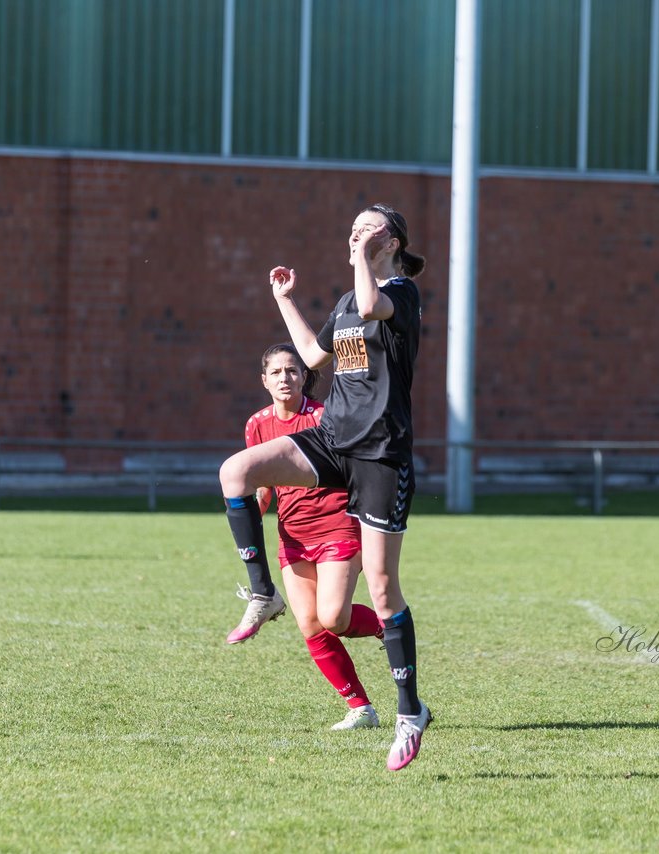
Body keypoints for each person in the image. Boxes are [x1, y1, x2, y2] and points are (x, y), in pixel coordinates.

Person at [218, 203, 429, 771]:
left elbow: (370, 305)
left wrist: (365, 257)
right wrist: (285, 301)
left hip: (382, 454)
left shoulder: (401, 294)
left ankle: (410, 711)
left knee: (384, 592)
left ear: (394, 241)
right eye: (353, 226)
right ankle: (262, 593)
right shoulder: (344, 303)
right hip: (335, 438)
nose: (356, 231)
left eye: (370, 226)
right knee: (234, 471)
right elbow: (315, 356)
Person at [240, 342, 386, 730]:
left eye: (292, 371)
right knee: (310, 624)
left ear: (305, 376)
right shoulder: (257, 425)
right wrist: (251, 513)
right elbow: (263, 483)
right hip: (293, 535)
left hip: (337, 523)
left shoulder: (326, 417)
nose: (284, 378)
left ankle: (389, 629)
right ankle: (361, 709)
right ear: (264, 380)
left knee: (334, 618)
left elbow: (357, 469)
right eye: (276, 372)